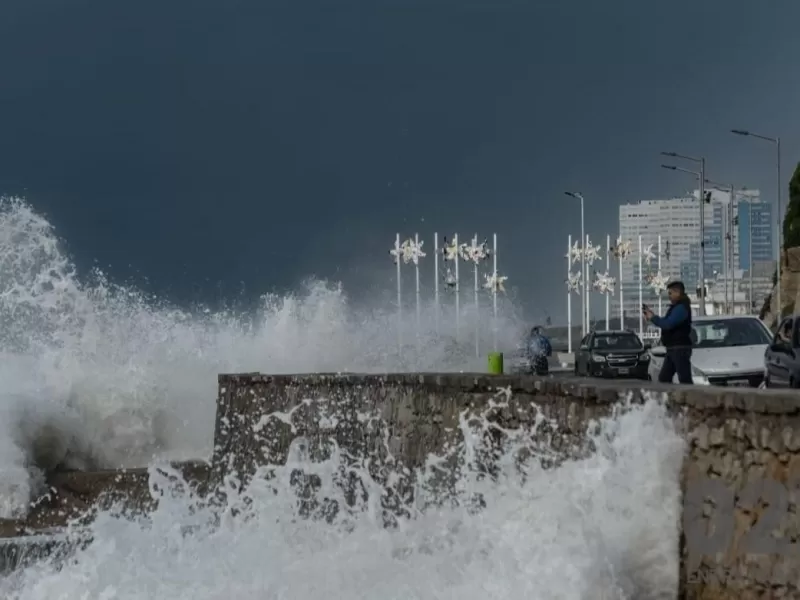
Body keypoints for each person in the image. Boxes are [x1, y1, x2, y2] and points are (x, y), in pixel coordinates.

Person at [643, 280, 693, 384]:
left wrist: (653, 318)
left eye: (670, 293)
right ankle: (667, 399)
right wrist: (652, 316)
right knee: (664, 378)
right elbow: (666, 323)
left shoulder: (681, 308)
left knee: (684, 379)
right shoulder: (677, 307)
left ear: (677, 292)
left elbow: (668, 324)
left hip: (679, 348)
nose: (669, 296)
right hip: (673, 348)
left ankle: (692, 398)